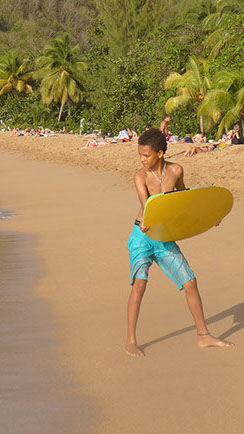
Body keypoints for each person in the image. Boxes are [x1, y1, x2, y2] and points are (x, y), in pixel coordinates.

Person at [125, 128, 233, 357]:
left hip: (164, 236)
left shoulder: (176, 170)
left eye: (146, 155)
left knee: (190, 283)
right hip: (142, 235)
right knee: (140, 284)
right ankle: (131, 340)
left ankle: (204, 336)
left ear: (161, 153)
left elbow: (185, 201)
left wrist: (209, 217)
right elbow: (147, 208)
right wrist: (147, 223)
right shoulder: (140, 176)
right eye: (140, 155)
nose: (142, 160)